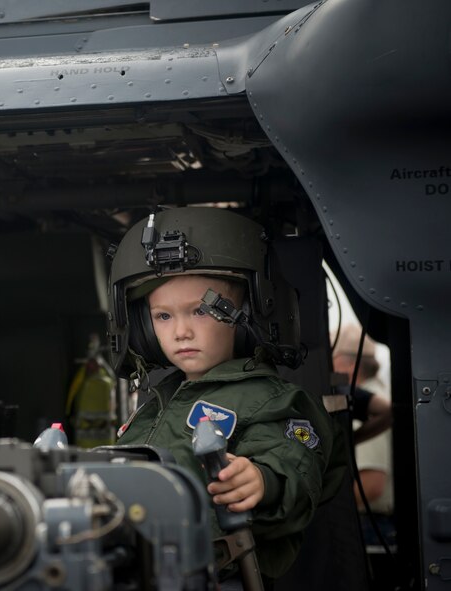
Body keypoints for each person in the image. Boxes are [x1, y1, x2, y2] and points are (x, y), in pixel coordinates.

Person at [107, 208, 343, 585]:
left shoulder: (277, 400)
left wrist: (262, 482)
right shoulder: (157, 402)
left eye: (201, 310)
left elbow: (295, 469)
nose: (180, 331)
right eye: (163, 317)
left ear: (249, 312)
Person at [333, 325, 395, 546]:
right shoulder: (382, 395)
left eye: (333, 359)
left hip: (371, 527)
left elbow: (371, 484)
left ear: (350, 365)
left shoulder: (363, 410)